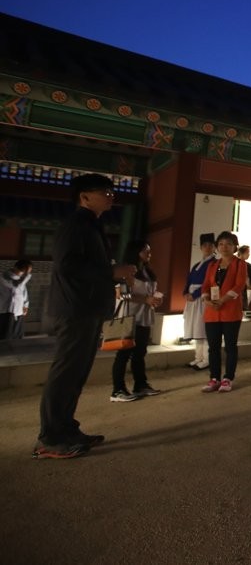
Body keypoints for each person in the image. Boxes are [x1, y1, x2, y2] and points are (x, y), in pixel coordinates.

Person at [35, 173, 136, 459]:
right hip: (75, 308)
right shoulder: (75, 225)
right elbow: (67, 265)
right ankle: (49, 438)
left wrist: (114, 274)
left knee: (77, 373)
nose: (111, 197)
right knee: (66, 372)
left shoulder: (92, 225)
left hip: (88, 308)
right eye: (105, 192)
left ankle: (66, 429)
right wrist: (111, 271)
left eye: (112, 192)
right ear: (84, 196)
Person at [110, 240, 162, 402]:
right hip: (128, 316)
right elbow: (121, 294)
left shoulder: (146, 271)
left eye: (149, 251)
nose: (149, 254)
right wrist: (146, 299)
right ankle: (118, 390)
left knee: (140, 353)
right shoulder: (126, 270)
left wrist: (155, 299)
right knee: (123, 354)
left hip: (144, 317)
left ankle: (140, 384)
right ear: (136, 252)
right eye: (145, 251)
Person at [200, 231, 248, 393]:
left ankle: (228, 378)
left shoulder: (240, 264)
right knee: (213, 347)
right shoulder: (212, 265)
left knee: (230, 346)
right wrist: (206, 299)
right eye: (220, 244)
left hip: (230, 311)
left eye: (228, 244)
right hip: (212, 312)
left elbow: (239, 285)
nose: (224, 247)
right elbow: (205, 285)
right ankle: (214, 378)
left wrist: (223, 300)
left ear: (235, 247)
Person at [182, 233, 215, 369]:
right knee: (196, 329)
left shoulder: (214, 264)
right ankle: (198, 357)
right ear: (201, 247)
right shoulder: (197, 264)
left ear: (214, 248)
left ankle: (206, 359)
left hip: (203, 299)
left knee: (203, 329)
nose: (207, 248)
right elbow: (189, 280)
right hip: (193, 300)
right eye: (204, 245)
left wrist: (195, 294)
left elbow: (211, 283)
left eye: (210, 245)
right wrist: (185, 293)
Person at [1, 259, 32, 340]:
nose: (25, 273)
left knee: (17, 335)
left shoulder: (21, 280)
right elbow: (15, 286)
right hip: (5, 311)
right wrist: (26, 276)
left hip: (18, 311)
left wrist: (25, 305)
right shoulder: (4, 277)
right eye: (24, 271)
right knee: (5, 336)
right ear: (16, 267)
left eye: (27, 272)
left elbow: (24, 293)